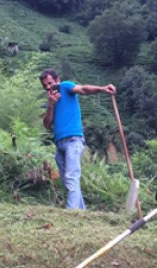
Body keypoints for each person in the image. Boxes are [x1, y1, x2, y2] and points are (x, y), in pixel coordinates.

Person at [39, 69, 116, 210]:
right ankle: (81, 211)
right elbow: (47, 124)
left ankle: (71, 212)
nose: (48, 87)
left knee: (71, 177)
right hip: (59, 143)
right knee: (68, 181)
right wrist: (51, 105)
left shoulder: (66, 86)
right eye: (45, 86)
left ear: (58, 79)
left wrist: (102, 89)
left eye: (50, 83)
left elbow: (84, 89)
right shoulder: (51, 99)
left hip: (73, 140)